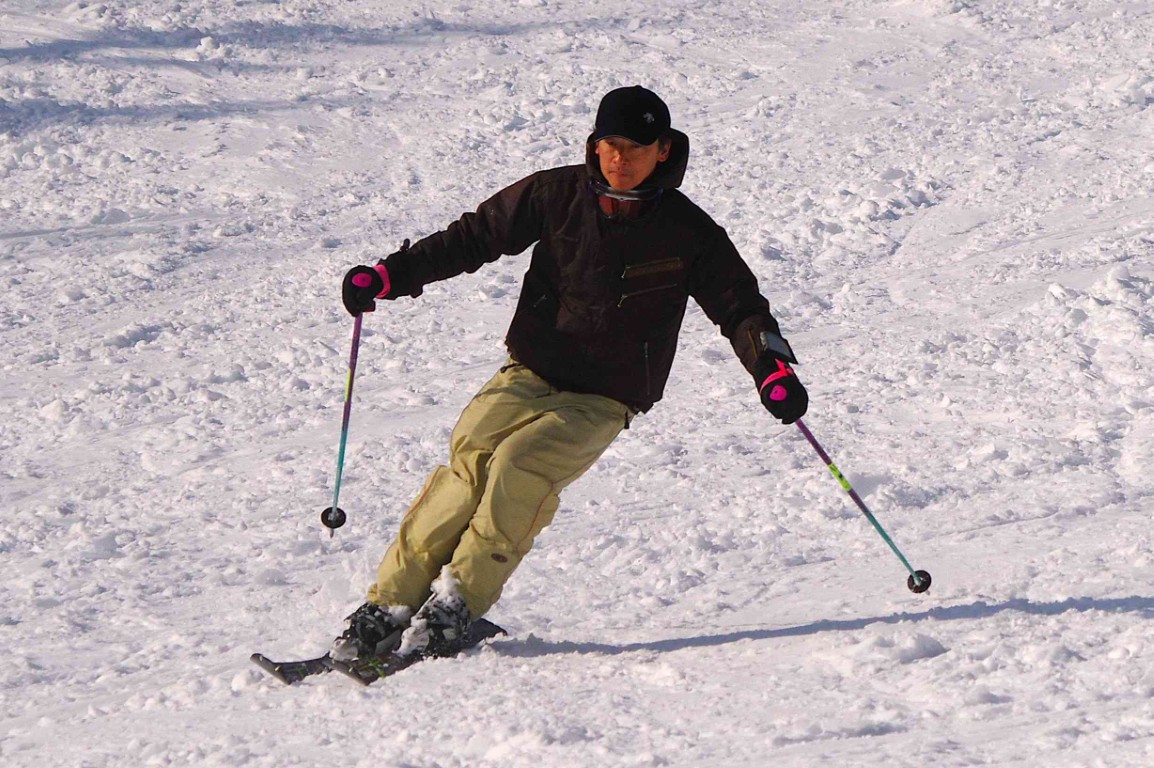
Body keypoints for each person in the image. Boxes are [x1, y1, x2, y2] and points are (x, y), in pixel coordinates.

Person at [331, 85, 808, 662]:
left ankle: (457, 604)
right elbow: (475, 236)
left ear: (663, 150)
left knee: (519, 465)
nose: (620, 159)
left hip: (606, 394)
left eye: (636, 147)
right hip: (532, 367)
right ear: (595, 143)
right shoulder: (556, 193)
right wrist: (392, 274)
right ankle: (388, 605)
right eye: (611, 144)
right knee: (470, 461)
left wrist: (769, 367)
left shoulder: (689, 232)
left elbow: (740, 305)